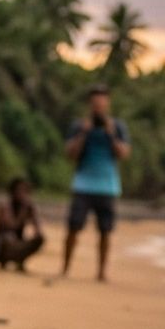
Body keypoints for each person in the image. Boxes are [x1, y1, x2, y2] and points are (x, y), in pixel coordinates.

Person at [59, 86, 129, 282]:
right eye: (95, 104)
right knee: (73, 227)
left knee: (105, 231)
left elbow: (124, 154)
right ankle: (65, 268)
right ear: (90, 104)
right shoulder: (80, 126)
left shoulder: (117, 126)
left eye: (101, 103)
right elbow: (70, 154)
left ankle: (101, 272)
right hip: (82, 184)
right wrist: (84, 133)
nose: (98, 107)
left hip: (108, 186)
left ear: (107, 104)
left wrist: (111, 134)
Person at [0, 177, 44, 271]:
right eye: (19, 190)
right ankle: (4, 260)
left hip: (17, 242)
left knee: (40, 239)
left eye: (24, 191)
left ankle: (20, 260)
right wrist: (23, 212)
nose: (21, 194)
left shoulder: (28, 207)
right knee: (9, 237)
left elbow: (38, 231)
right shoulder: (5, 206)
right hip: (1, 246)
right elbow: (10, 226)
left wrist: (33, 214)